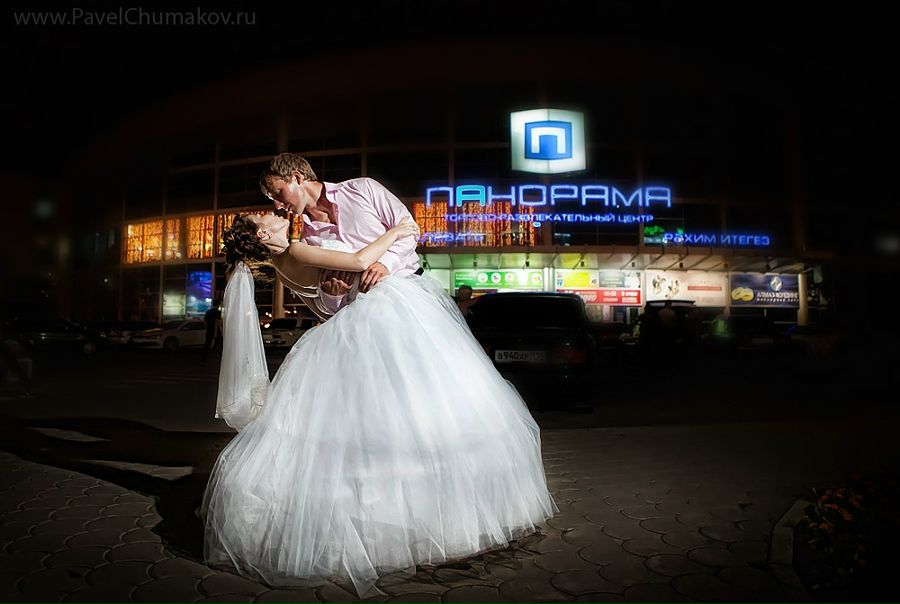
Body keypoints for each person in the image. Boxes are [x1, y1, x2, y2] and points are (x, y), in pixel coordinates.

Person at [202, 211, 556, 598]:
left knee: (369, 422)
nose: (270, 212)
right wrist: (396, 232)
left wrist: (335, 290)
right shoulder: (295, 250)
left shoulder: (285, 262)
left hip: (348, 322)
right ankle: (410, 523)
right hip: (366, 321)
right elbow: (358, 261)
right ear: (262, 234)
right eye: (261, 215)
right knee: (401, 413)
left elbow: (325, 305)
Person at [260, 153, 421, 321]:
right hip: (365, 318)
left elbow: (410, 228)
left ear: (297, 177)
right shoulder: (306, 241)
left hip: (409, 293)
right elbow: (326, 311)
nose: (277, 205)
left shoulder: (363, 188)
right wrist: (332, 295)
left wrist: (386, 264)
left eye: (278, 193)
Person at [201, 296, 223, 362]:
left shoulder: (208, 312)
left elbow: (205, 322)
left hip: (209, 330)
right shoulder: (218, 312)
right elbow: (218, 323)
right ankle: (221, 360)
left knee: (207, 344)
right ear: (218, 304)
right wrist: (219, 332)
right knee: (220, 345)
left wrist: (207, 328)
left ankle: (204, 359)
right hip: (216, 331)